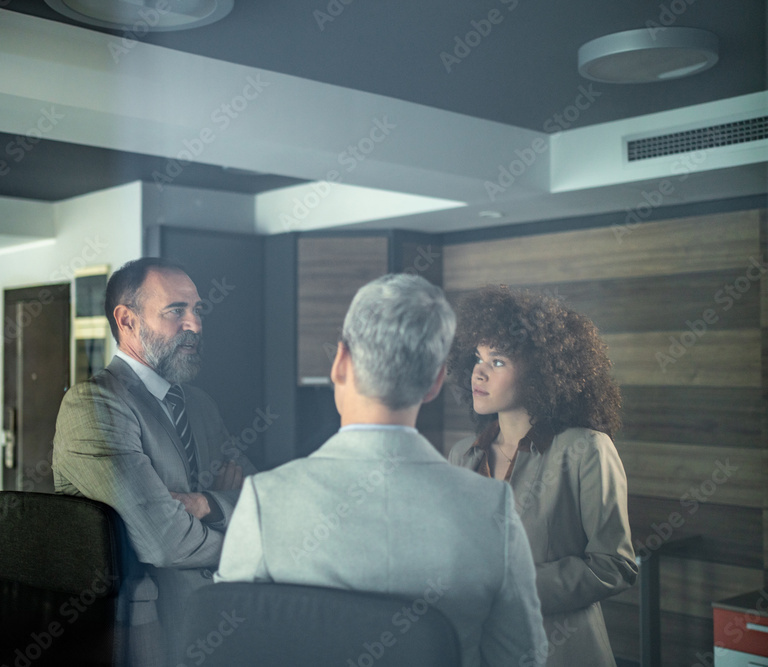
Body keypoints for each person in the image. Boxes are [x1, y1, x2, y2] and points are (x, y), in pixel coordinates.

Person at [216, 274, 547, 667]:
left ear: (340, 362)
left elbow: (229, 649)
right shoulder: (491, 508)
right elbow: (522, 658)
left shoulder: (264, 500)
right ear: (436, 382)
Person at [53, 257, 255, 666]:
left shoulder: (200, 404)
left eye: (197, 310)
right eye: (176, 311)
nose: (195, 325)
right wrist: (251, 543)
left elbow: (253, 491)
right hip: (149, 634)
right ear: (126, 320)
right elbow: (164, 540)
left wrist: (206, 503)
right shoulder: (94, 404)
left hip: (224, 617)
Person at [446, 285, 638, 667]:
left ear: (539, 373)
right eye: (477, 358)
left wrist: (514, 586)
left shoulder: (586, 449)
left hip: (562, 652)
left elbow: (615, 566)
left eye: (497, 361)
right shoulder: (461, 454)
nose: (479, 372)